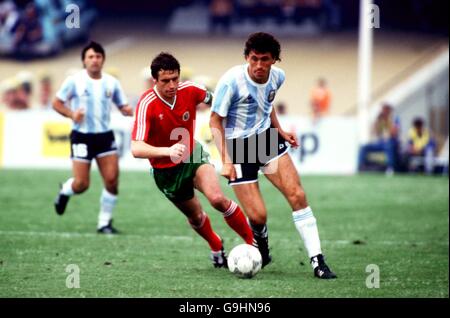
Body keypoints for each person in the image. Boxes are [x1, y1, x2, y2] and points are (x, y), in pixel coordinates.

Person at [209, 32, 336, 279]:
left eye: (264, 59)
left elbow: (267, 104)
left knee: (297, 195)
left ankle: (318, 261)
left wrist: (280, 130)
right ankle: (262, 250)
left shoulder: (278, 77)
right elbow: (215, 120)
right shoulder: (231, 81)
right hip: (238, 148)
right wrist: (225, 159)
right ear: (247, 57)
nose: (258, 65)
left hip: (266, 140)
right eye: (254, 58)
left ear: (274, 60)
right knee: (258, 215)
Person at [131, 52, 254, 268]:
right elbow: (136, 148)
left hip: (193, 155)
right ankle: (216, 246)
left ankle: (253, 244)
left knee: (217, 199)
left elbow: (218, 103)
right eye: (165, 81)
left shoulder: (190, 90)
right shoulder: (147, 103)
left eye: (175, 79)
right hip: (165, 172)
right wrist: (166, 151)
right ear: (154, 81)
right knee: (196, 217)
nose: (171, 85)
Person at [52, 41, 133, 233]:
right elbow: (56, 103)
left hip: (105, 136)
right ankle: (65, 190)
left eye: (98, 56)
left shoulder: (112, 83)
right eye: (90, 57)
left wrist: (126, 110)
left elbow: (122, 105)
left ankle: (104, 223)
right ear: (84, 61)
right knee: (81, 184)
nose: (94, 60)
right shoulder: (74, 81)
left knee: (112, 180)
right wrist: (72, 114)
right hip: (82, 136)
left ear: (103, 60)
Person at [358, 103, 400, 175]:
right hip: (380, 142)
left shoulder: (395, 119)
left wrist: (388, 122)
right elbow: (374, 132)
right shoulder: (380, 119)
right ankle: (361, 167)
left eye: (385, 109)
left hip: (390, 142)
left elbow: (394, 133)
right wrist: (377, 122)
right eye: (383, 110)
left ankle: (390, 168)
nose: (383, 111)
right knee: (363, 147)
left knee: (389, 146)